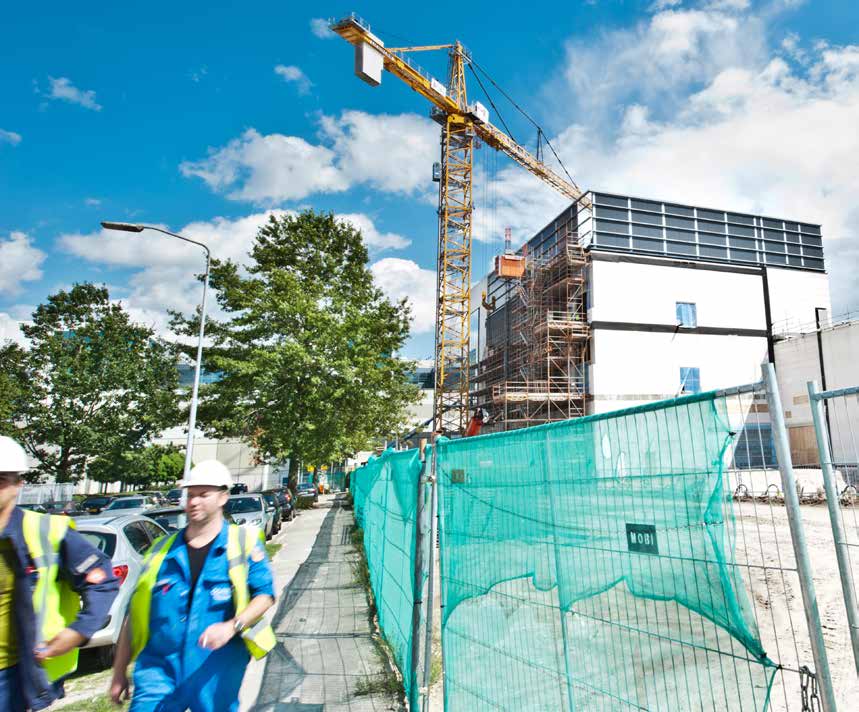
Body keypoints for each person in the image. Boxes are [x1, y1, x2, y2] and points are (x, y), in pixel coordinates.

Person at [110, 459, 276, 711]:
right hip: (159, 671)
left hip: (215, 669)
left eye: (203, 495)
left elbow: (265, 595)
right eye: (189, 495)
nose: (193, 502)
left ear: (223, 497)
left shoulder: (242, 543)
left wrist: (232, 626)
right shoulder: (159, 552)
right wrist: (119, 671)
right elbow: (134, 616)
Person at [0, 435, 119, 711]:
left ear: (19, 485)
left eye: (1, 479)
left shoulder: (46, 531)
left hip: (13, 676)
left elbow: (102, 582)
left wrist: (79, 631)